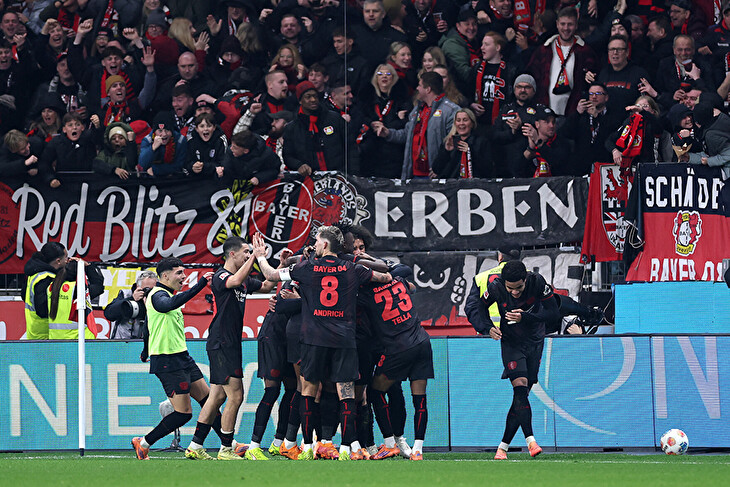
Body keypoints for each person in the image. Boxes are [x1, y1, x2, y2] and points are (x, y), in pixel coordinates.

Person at [253, 227, 393, 460]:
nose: (315, 244)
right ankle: (347, 449)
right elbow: (385, 277)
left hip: (314, 340)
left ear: (325, 245)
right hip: (344, 340)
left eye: (317, 241)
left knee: (308, 391)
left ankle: (308, 447)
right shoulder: (353, 269)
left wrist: (260, 257)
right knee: (346, 393)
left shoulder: (307, 268)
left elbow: (271, 275)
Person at [184, 236, 275, 461]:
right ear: (232, 254)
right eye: (246, 252)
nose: (248, 255)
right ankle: (226, 449)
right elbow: (234, 281)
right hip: (222, 342)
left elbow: (267, 285)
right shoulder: (221, 276)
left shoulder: (244, 280)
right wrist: (256, 257)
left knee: (216, 397)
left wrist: (279, 264)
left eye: (250, 252)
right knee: (236, 395)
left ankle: (195, 446)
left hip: (229, 343)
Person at [131, 257, 217, 460]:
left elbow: (148, 327)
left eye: (183, 272)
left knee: (210, 402)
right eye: (179, 273)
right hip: (167, 360)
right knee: (183, 413)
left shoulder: (168, 295)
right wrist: (201, 285)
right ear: (165, 275)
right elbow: (168, 305)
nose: (183, 276)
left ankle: (228, 445)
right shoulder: (157, 295)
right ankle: (144, 442)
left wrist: (145, 349)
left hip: (182, 356)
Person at [474, 260, 559, 460]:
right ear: (504, 283)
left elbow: (553, 313)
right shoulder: (495, 287)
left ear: (525, 280)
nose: (514, 292)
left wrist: (526, 317)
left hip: (535, 342)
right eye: (510, 288)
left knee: (521, 397)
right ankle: (531, 441)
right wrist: (488, 327)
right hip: (511, 343)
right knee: (519, 386)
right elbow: (479, 308)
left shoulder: (537, 282)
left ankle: (502, 447)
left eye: (519, 288)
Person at [361, 274, 433, 461]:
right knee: (420, 399)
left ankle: (390, 444)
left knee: (375, 392)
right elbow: (411, 285)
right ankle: (418, 450)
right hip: (423, 342)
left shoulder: (366, 294)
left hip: (398, 348)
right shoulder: (398, 279)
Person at [372, 71, 459, 180]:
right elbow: (406, 134)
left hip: (435, 175)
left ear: (428, 89)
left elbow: (454, 145)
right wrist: (388, 133)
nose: (417, 88)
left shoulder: (451, 111)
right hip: (414, 173)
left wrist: (441, 168)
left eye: (420, 85)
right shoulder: (418, 109)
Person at [528, 7, 598, 116]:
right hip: (545, 113)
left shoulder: (585, 51)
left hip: (573, 114)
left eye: (570, 24)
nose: (566, 28)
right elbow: (531, 76)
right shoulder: (544, 49)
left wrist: (590, 75)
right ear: (557, 24)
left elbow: (594, 76)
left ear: (576, 25)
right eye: (563, 24)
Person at [282, 80, 356, 176]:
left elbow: (351, 147)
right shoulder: (292, 128)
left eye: (315, 96)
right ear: (300, 101)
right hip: (310, 178)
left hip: (340, 176)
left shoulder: (335, 118)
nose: (313, 99)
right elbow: (288, 156)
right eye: (308, 97)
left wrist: (352, 174)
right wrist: (299, 165)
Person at [47, 259, 104, 339]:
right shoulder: (78, 290)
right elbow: (98, 286)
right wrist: (87, 265)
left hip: (56, 338)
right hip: (78, 339)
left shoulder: (51, 287)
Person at [23, 242, 69, 340]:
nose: (68, 260)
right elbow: (43, 310)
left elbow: (24, 295)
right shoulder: (46, 279)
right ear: (58, 261)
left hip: (34, 333)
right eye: (66, 257)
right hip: (45, 336)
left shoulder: (34, 273)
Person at [432, 107, 493, 178]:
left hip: (474, 183)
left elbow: (488, 170)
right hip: (451, 183)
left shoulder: (481, 142)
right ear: (455, 123)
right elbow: (437, 169)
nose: (461, 123)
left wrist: (470, 153)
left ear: (472, 123)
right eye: (458, 120)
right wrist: (446, 152)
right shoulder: (449, 141)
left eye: (465, 120)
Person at [104, 270, 158, 342]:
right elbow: (109, 314)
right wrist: (131, 299)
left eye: (153, 290)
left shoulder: (159, 298)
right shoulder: (126, 295)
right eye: (147, 289)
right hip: (122, 343)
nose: (149, 293)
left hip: (146, 342)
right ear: (138, 286)